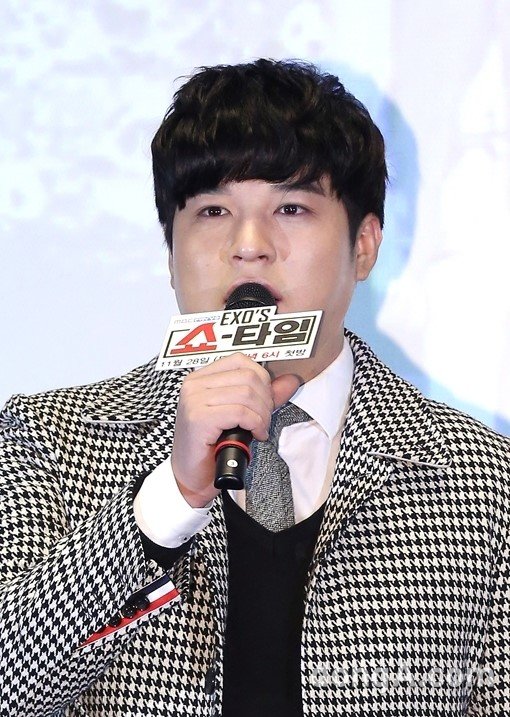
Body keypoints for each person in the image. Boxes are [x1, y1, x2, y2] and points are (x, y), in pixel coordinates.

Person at [0, 59, 508, 717]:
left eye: (290, 208)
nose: (248, 246)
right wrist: (168, 501)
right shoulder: (52, 439)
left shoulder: (482, 480)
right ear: (170, 252)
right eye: (213, 210)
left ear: (364, 245)